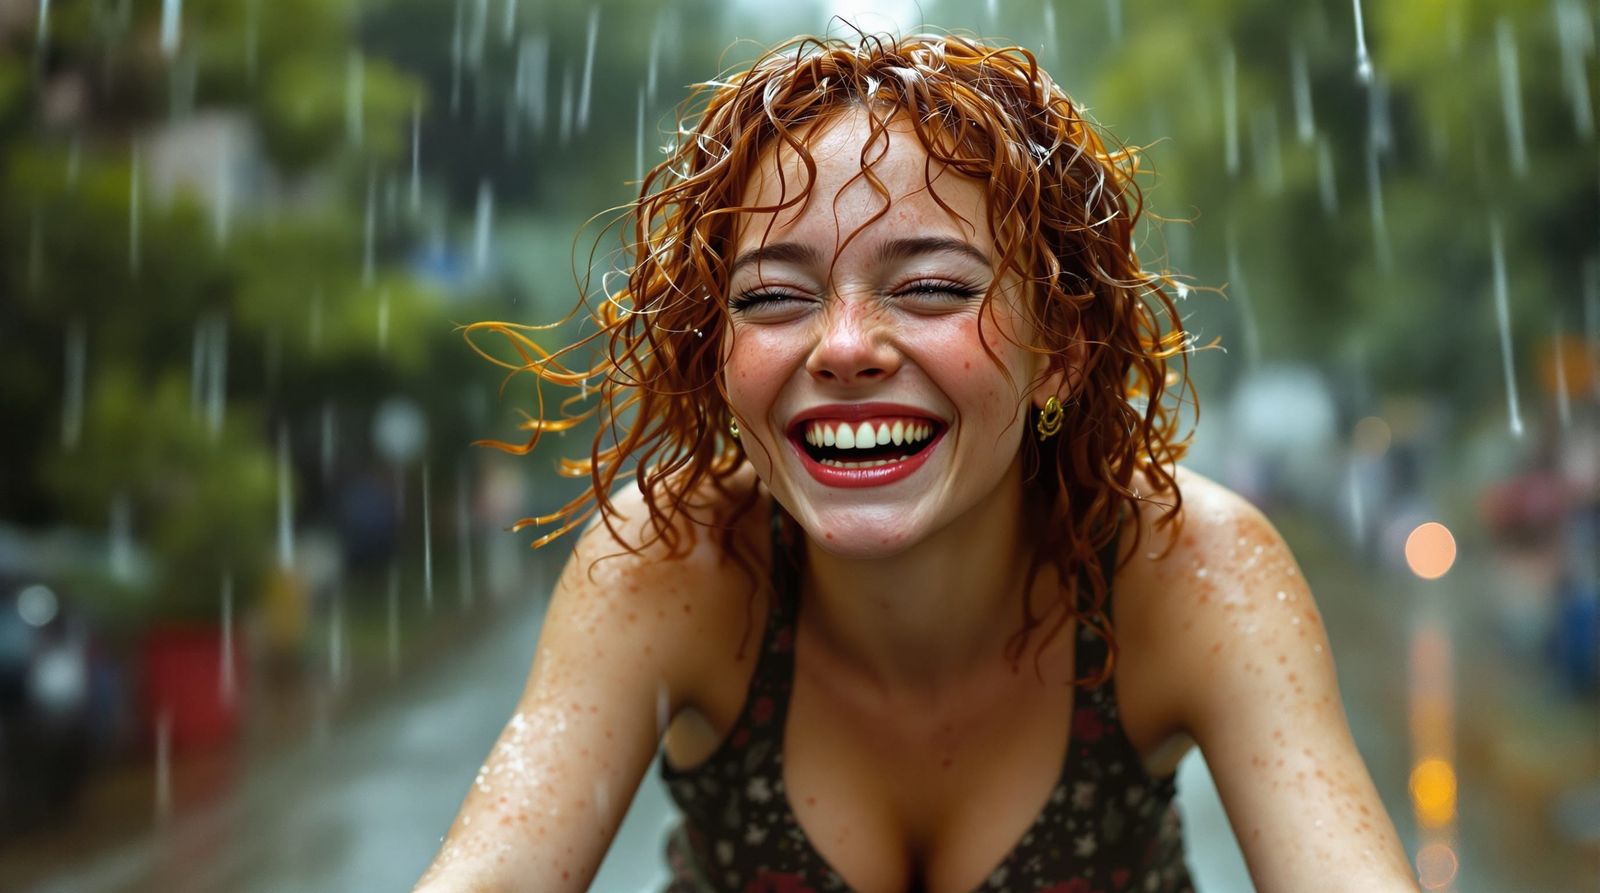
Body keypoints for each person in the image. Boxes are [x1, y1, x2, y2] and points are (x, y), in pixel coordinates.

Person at [416, 31, 1419, 893]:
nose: (846, 346)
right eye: (772, 297)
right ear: (716, 357)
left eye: (932, 286)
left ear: (1059, 348)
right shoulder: (673, 561)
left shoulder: (1192, 569)